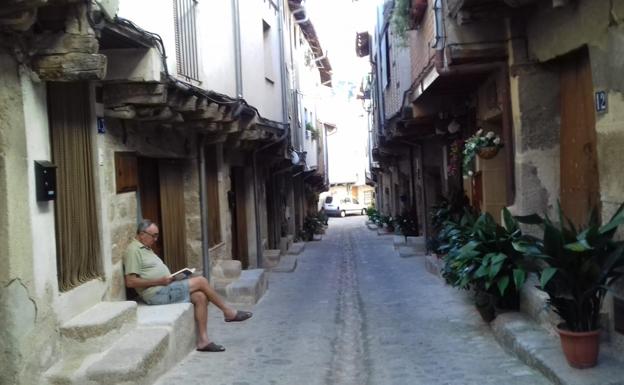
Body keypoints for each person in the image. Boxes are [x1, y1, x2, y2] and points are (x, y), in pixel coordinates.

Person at [124, 219, 252, 352]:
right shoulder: (133, 251)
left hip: (164, 288)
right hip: (156, 293)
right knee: (201, 281)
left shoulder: (146, 249)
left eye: (157, 235)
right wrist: (159, 281)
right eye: (153, 235)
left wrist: (172, 278)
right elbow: (130, 281)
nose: (156, 239)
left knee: (200, 296)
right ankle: (228, 312)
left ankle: (203, 340)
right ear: (142, 234)